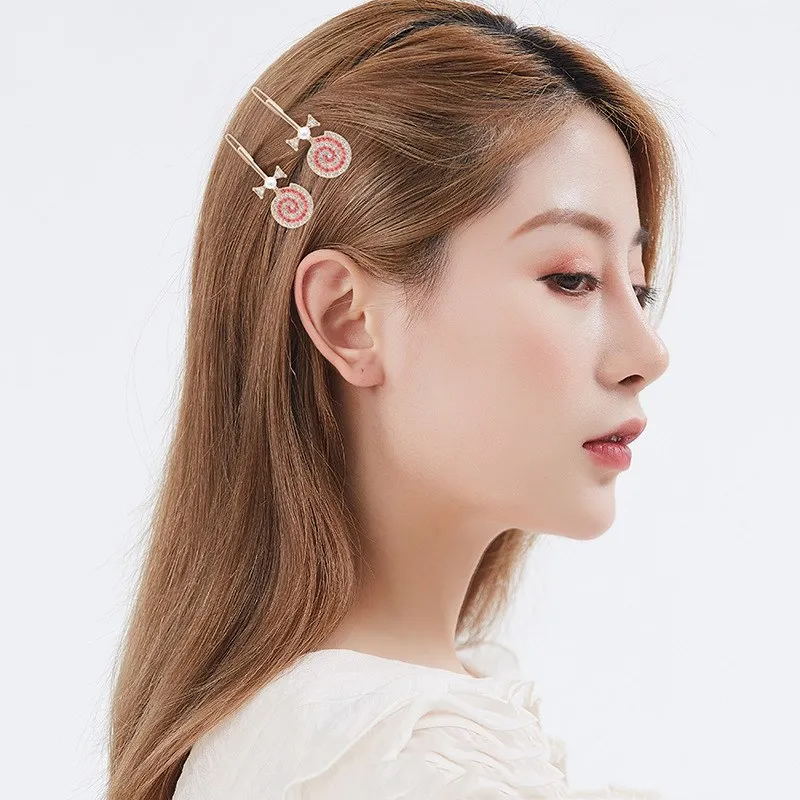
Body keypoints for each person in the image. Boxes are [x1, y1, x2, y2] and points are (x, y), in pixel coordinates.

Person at [105, 1, 679, 798]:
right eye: (572, 277)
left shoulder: (316, 738)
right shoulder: (406, 759)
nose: (647, 355)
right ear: (349, 318)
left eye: (639, 288)